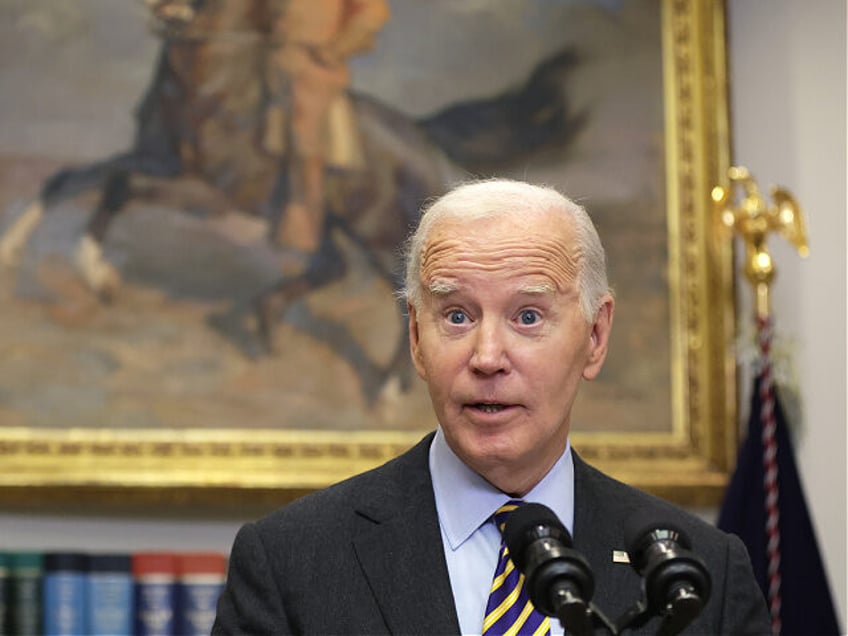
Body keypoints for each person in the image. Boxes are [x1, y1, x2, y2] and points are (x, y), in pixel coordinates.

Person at [212, 179, 771, 635]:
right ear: (415, 338)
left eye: (528, 316)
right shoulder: (290, 561)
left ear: (596, 337)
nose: (486, 357)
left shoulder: (703, 574)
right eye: (456, 315)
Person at [264, 0, 390, 254]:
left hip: (315, 66)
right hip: (273, 58)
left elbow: (373, 11)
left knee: (304, 140)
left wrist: (334, 50)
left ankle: (302, 229)